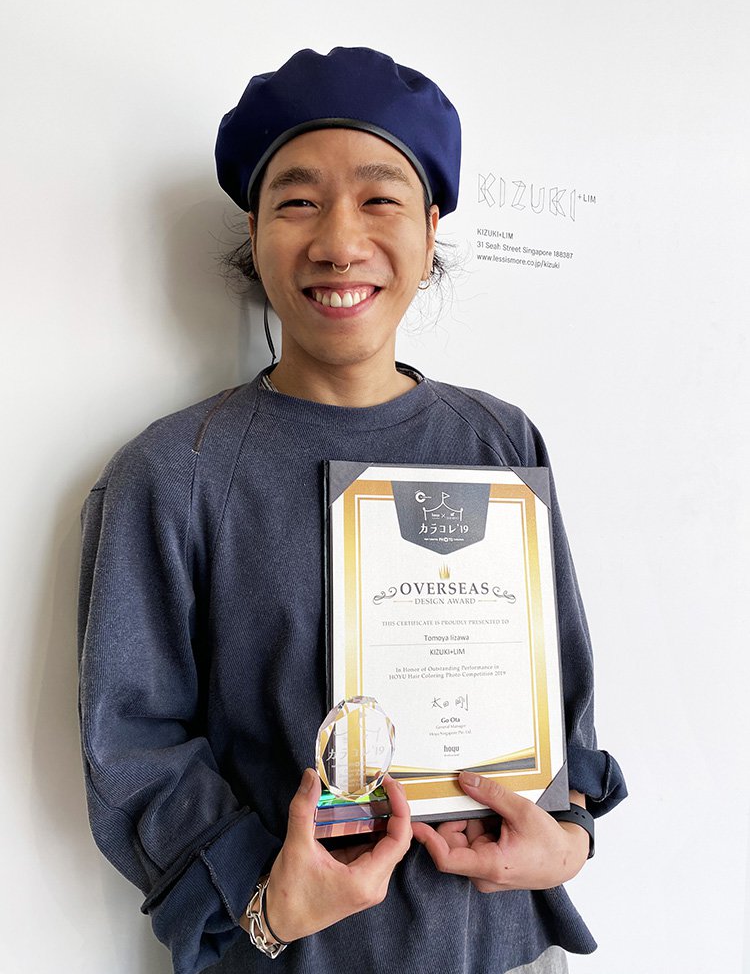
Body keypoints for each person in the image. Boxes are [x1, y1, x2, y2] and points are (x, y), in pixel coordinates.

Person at [78, 47, 626, 974]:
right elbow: (132, 740)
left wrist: (569, 836)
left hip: (505, 946)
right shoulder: (175, 471)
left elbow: (561, 687)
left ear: (431, 226)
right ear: (254, 229)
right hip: (297, 955)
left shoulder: (500, 439)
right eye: (298, 201)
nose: (339, 241)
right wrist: (262, 895)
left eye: (380, 199)